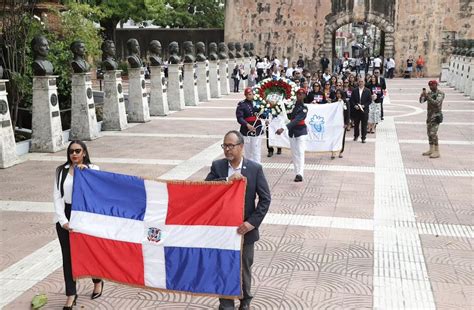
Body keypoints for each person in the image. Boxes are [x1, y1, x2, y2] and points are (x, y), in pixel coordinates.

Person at [205, 130, 271, 310]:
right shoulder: (218, 166)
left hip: (245, 230)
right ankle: (226, 304)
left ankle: (245, 301)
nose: (227, 150)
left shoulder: (254, 169)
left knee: (244, 268)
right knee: (223, 267)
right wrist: (227, 180)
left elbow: (265, 199)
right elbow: (206, 190)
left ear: (241, 147)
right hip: (222, 230)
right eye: (225, 146)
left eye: (231, 146)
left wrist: (251, 223)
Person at [54, 140, 103, 310]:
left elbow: (98, 190)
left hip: (85, 214)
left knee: (89, 253)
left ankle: (97, 281)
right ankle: (71, 294)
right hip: (67, 214)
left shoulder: (94, 169)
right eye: (71, 151)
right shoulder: (61, 171)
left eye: (77, 151)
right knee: (68, 258)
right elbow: (57, 197)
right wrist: (63, 221)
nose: (74, 154)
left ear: (84, 153)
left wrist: (87, 172)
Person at [276, 88, 308, 182]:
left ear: (304, 96)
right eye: (298, 94)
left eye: (301, 94)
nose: (299, 95)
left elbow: (297, 120)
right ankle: (296, 172)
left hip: (301, 131)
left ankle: (300, 173)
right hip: (292, 132)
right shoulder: (291, 105)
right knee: (294, 154)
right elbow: (288, 117)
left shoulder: (304, 108)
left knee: (300, 152)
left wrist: (283, 128)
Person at [236, 88, 264, 163]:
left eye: (252, 94)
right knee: (248, 152)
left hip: (257, 128)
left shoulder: (258, 103)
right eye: (249, 94)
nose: (250, 96)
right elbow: (239, 118)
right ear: (245, 95)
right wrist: (247, 125)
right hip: (246, 130)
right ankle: (249, 168)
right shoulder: (242, 104)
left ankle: (257, 168)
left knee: (256, 150)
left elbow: (262, 115)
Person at [419, 80, 444, 158]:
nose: (431, 87)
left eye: (432, 85)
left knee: (433, 133)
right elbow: (421, 101)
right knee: (429, 133)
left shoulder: (440, 93)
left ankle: (437, 151)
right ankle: (431, 149)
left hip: (436, 116)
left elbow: (437, 103)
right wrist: (422, 96)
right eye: (430, 86)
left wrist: (428, 97)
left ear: (436, 85)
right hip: (429, 116)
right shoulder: (429, 93)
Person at [350, 77, 373, 143]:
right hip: (356, 110)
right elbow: (352, 100)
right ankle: (356, 136)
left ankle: (363, 138)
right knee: (356, 124)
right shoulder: (354, 90)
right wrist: (355, 106)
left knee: (364, 125)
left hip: (364, 110)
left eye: (362, 81)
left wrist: (364, 105)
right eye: (359, 81)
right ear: (358, 82)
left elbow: (369, 101)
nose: (361, 83)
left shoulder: (368, 91)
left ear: (364, 82)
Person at [331, 89, 350, 159]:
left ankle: (341, 152)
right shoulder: (334, 101)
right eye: (337, 93)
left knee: (342, 138)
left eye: (339, 93)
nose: (338, 95)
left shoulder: (346, 102)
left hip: (342, 123)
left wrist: (346, 123)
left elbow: (348, 113)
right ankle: (333, 152)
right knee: (334, 137)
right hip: (334, 123)